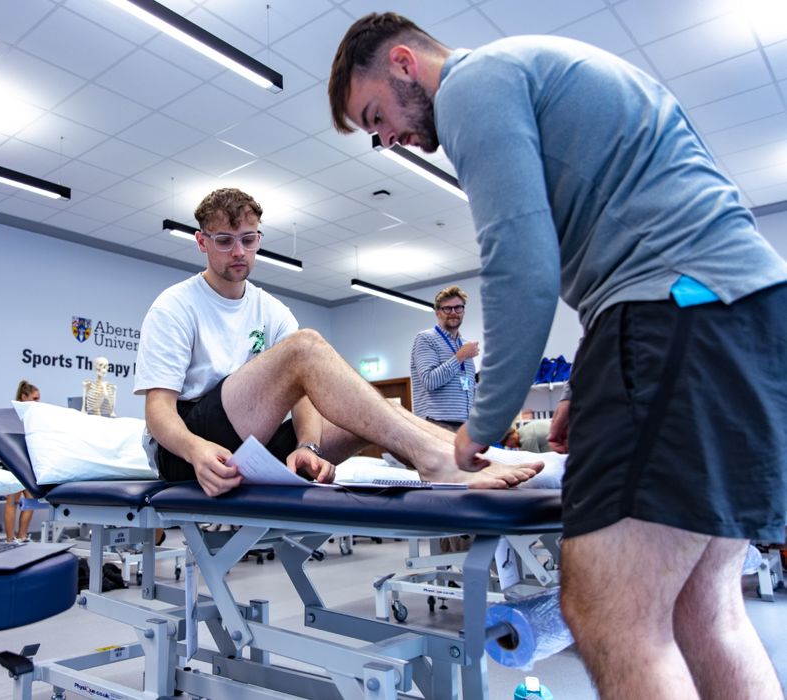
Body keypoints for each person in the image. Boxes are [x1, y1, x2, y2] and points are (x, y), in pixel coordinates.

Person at [328, 14, 787, 699]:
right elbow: (624, 228)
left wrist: (483, 424)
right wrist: (586, 390)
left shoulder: (471, 85)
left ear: (402, 63)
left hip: (676, 318)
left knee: (612, 615)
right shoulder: (534, 69)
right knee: (705, 608)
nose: (387, 138)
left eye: (376, 117)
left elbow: (520, 264)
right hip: (743, 317)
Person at [134, 187, 542, 497]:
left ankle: (473, 458)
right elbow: (158, 411)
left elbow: (301, 396)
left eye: (249, 239)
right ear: (202, 242)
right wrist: (196, 450)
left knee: (376, 414)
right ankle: (436, 461)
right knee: (305, 347)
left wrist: (308, 445)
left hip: (256, 446)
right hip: (190, 452)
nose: (238, 251)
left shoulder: (270, 309)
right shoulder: (176, 305)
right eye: (224, 241)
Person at [410, 285, 478, 431]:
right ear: (438, 313)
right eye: (447, 308)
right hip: (436, 423)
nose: (453, 312)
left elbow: (469, 388)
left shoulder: (465, 345)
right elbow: (430, 381)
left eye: (458, 308)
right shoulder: (425, 339)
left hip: (465, 425)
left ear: (463, 311)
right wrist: (460, 356)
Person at [7, 380, 39, 543]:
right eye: (35, 398)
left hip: (28, 462)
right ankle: (9, 540)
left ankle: (22, 536)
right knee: (12, 502)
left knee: (31, 501)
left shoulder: (33, 417)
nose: (37, 402)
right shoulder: (13, 416)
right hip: (14, 462)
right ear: (24, 397)